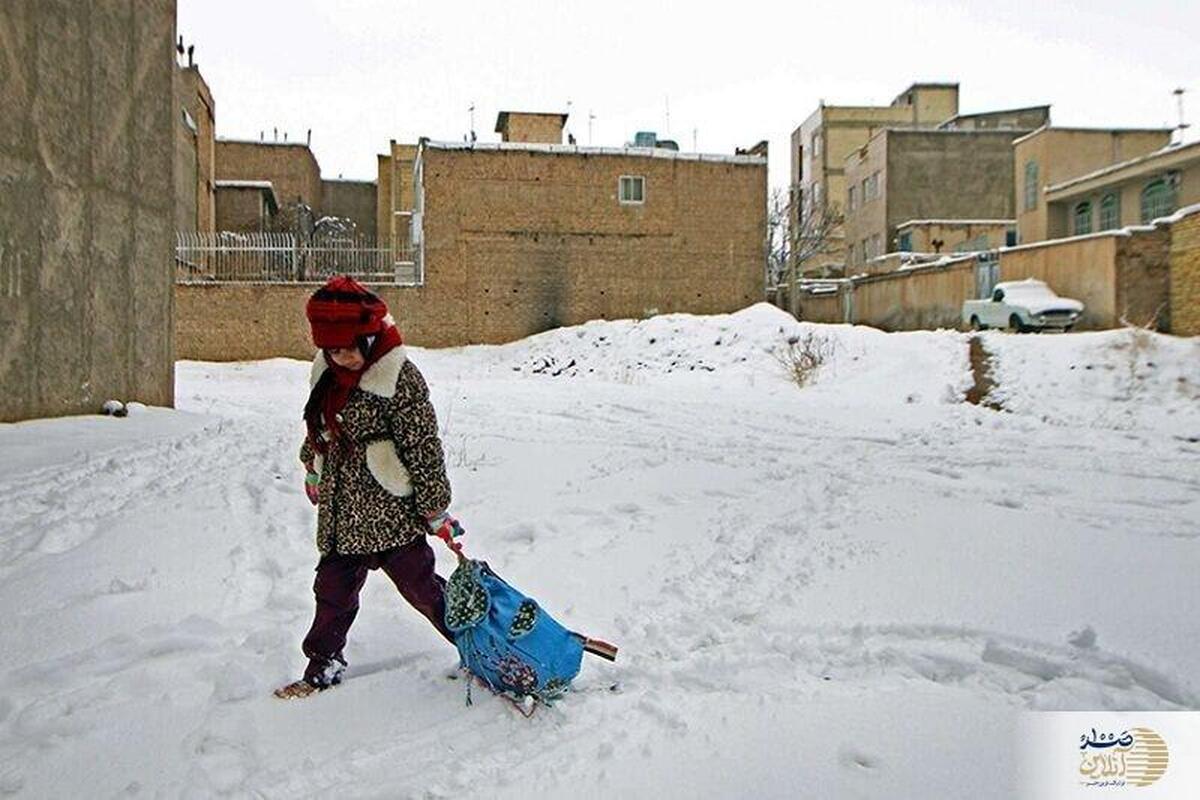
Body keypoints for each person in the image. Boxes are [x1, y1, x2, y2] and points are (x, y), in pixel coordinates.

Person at [275, 276, 464, 700]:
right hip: (344, 518)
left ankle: (479, 649)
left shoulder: (399, 377)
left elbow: (423, 447)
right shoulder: (327, 374)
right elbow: (319, 428)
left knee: (425, 591)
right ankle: (322, 665)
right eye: (331, 350)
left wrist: (435, 511)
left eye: (347, 348)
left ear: (369, 336)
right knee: (331, 594)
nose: (339, 357)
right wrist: (313, 468)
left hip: (393, 515)